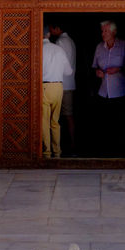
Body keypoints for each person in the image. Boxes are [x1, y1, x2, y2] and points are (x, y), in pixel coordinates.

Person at [92, 19, 125, 156]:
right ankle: (105, 152)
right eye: (102, 31)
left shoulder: (124, 45)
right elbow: (94, 67)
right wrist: (98, 72)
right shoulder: (99, 47)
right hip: (103, 92)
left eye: (106, 31)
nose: (103, 34)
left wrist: (119, 69)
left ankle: (120, 152)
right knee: (105, 125)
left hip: (120, 92)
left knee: (119, 124)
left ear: (114, 31)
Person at [41, 25, 73, 160]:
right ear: (49, 34)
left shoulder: (39, 50)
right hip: (58, 88)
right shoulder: (59, 50)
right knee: (55, 121)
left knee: (44, 121)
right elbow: (68, 72)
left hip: (43, 87)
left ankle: (47, 153)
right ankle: (57, 152)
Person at [49, 21, 77, 155]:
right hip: (69, 84)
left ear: (57, 28)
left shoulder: (60, 42)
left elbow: (60, 66)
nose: (49, 31)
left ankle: (64, 146)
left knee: (59, 118)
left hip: (61, 85)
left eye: (51, 28)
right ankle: (71, 144)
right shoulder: (70, 41)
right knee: (68, 116)